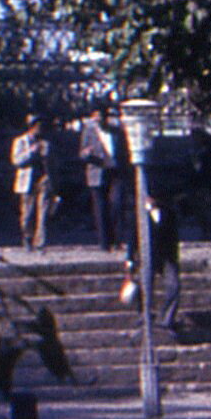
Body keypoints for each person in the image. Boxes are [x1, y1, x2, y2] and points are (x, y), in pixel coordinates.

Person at [130, 187, 183, 333]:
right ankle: (144, 315)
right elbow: (133, 238)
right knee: (144, 286)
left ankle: (166, 318)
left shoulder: (169, 213)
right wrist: (130, 259)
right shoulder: (141, 215)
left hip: (167, 256)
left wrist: (174, 258)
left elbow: (174, 238)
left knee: (173, 285)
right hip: (148, 255)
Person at [78, 104, 123, 250]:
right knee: (100, 208)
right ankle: (104, 242)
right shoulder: (88, 132)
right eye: (96, 116)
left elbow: (122, 149)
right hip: (97, 171)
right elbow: (82, 153)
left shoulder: (115, 131)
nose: (99, 119)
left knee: (116, 204)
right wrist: (87, 154)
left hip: (114, 171)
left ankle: (116, 239)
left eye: (101, 116)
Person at [9, 115, 54, 248]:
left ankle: (40, 242)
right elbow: (16, 161)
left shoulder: (45, 143)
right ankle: (27, 237)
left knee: (43, 213)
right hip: (27, 181)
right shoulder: (20, 141)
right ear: (31, 127)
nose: (40, 129)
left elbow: (52, 162)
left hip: (43, 180)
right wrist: (31, 152)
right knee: (27, 213)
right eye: (38, 126)